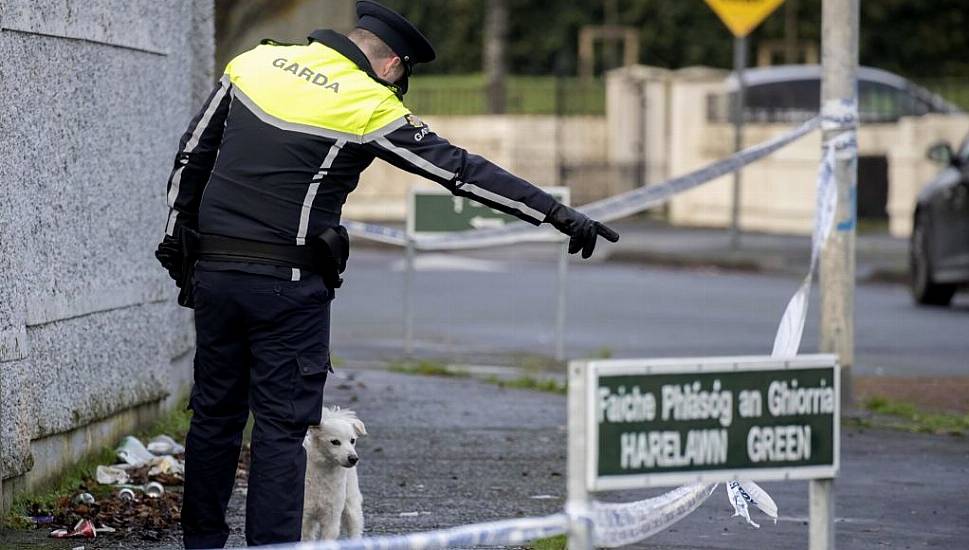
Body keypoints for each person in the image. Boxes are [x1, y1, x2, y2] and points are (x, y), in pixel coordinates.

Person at [155, 1, 619, 547]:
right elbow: (462, 172)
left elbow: (191, 158)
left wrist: (178, 244)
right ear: (393, 65)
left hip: (216, 274)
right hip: (289, 287)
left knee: (214, 419)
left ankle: (201, 543)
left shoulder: (254, 64)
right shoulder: (368, 103)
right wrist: (556, 213)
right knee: (280, 431)